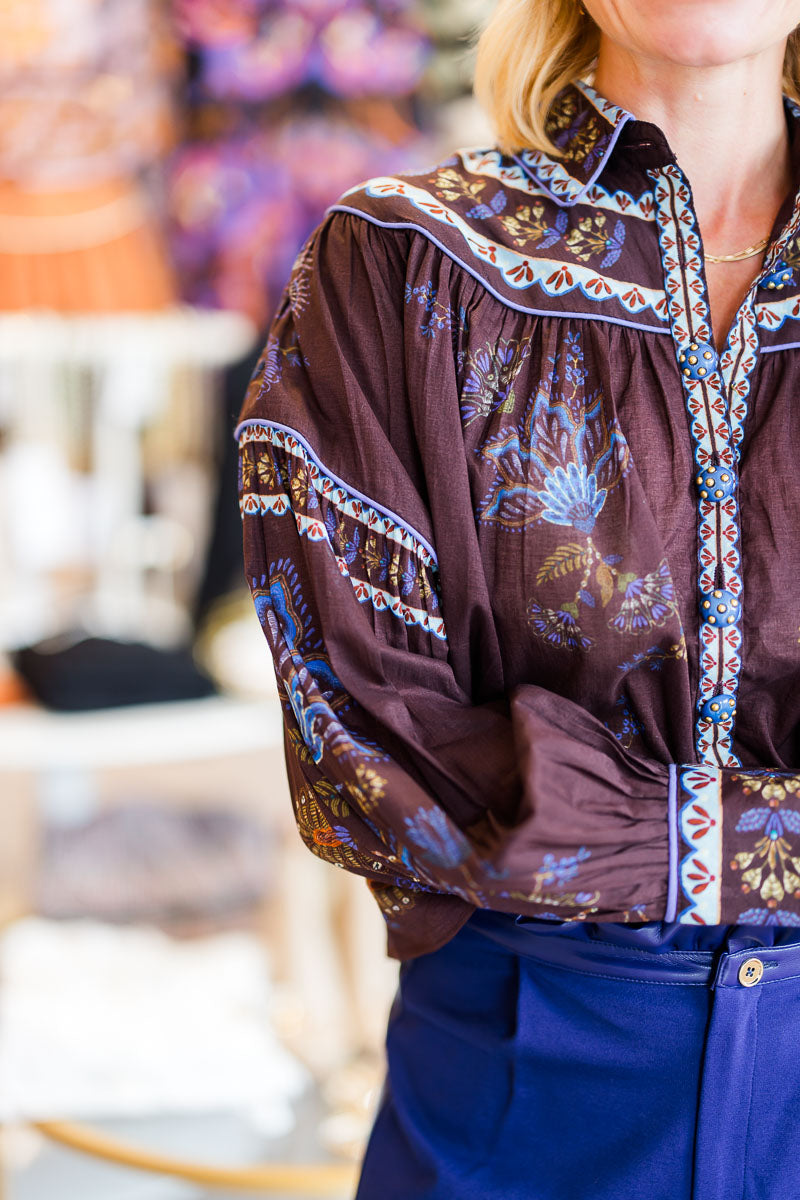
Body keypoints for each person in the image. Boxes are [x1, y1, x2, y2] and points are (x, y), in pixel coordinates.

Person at [236, 1, 800, 1195]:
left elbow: (506, 810)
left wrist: (592, 825)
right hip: (523, 1089)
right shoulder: (400, 262)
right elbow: (365, 740)